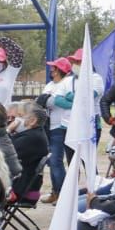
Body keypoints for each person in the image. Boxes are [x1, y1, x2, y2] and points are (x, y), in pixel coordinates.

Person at [36, 57, 75, 199]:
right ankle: (56, 191)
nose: (51, 69)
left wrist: (48, 100)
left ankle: (63, 194)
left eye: (54, 67)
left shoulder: (67, 83)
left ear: (59, 70)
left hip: (61, 126)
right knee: (52, 161)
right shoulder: (50, 84)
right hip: (48, 126)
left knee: (56, 161)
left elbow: (53, 102)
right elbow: (41, 101)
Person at [10, 104, 50, 201]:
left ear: (33, 120)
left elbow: (6, 153)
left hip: (20, 189)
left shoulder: (31, 138)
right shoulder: (34, 133)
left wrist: (8, 130)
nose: (16, 120)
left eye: (21, 116)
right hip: (23, 185)